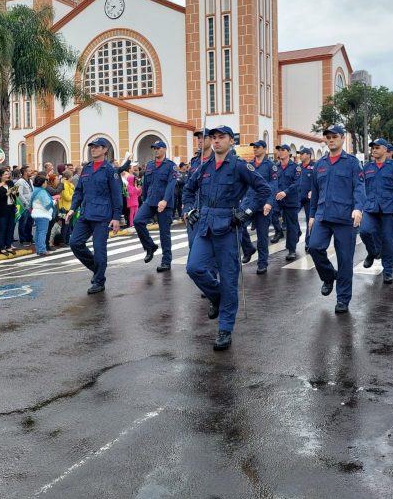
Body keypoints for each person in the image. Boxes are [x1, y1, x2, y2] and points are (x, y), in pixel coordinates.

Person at [183, 125, 272, 350]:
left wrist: (247, 212)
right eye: (213, 137)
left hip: (229, 226)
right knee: (194, 268)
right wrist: (188, 209)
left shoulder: (240, 166)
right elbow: (188, 189)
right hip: (205, 225)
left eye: (221, 137)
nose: (216, 141)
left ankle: (225, 328)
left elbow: (263, 190)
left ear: (231, 141)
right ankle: (217, 297)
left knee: (229, 278)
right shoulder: (204, 167)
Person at [308, 125, 366, 314]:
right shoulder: (320, 164)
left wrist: (358, 209)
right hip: (323, 216)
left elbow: (359, 187)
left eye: (334, 136)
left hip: (345, 218)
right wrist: (310, 216)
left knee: (345, 260)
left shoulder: (351, 163)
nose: (331, 139)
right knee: (314, 247)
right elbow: (315, 193)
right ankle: (328, 276)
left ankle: (342, 299)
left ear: (342, 139)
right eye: (328, 137)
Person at [66, 138, 123, 294]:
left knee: (99, 249)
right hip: (86, 213)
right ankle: (98, 269)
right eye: (92, 146)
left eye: (97, 147)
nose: (93, 149)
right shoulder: (87, 168)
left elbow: (117, 195)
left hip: (102, 216)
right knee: (75, 242)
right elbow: (79, 192)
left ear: (105, 150)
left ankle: (98, 281)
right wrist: (72, 209)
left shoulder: (110, 170)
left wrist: (116, 217)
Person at [359, 138, 393, 284]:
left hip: (389, 208)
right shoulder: (367, 167)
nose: (374, 149)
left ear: (385, 149)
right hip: (370, 206)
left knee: (388, 239)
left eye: (377, 147)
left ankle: (387, 271)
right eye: (372, 147)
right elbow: (360, 187)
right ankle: (372, 252)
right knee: (364, 231)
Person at [133, 140, 178, 272]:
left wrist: (165, 200)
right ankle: (150, 246)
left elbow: (171, 184)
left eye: (158, 148)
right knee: (137, 221)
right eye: (154, 148)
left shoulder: (171, 166)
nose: (156, 150)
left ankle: (166, 261)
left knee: (164, 233)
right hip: (150, 201)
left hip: (165, 203)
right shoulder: (150, 165)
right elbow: (146, 183)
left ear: (164, 149)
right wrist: (144, 198)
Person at [239, 139, 277, 274]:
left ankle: (262, 263)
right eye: (253, 147)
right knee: (239, 225)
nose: (255, 149)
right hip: (249, 202)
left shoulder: (271, 166)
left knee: (262, 235)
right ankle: (248, 248)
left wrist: (269, 202)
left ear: (265, 149)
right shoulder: (248, 165)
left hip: (262, 204)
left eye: (258, 147)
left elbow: (273, 185)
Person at [273, 144, 302, 261]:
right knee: (272, 214)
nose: (280, 152)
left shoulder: (296, 167)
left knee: (290, 225)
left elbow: (297, 183)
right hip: (277, 199)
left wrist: (285, 192)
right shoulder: (276, 167)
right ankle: (279, 231)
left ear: (289, 152)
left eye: (283, 150)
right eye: (279, 150)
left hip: (290, 199)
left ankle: (291, 250)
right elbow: (273, 181)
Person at [0, 168, 17, 255]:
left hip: (11, 207)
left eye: (8, 174)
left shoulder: (10, 183)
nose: (7, 176)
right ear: (0, 175)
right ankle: (2, 248)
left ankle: (8, 246)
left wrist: (14, 192)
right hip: (2, 209)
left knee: (11, 227)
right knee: (3, 228)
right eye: (5, 174)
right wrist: (6, 193)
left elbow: (16, 194)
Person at [30, 174, 56, 256]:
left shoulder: (36, 190)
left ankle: (39, 249)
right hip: (42, 214)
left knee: (38, 232)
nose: (46, 184)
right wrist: (54, 201)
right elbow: (47, 204)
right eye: (45, 182)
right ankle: (42, 249)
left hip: (37, 213)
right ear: (42, 183)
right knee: (42, 232)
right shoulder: (41, 191)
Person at [298, 147, 315, 253]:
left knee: (310, 221)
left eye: (302, 153)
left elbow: (317, 181)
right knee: (291, 216)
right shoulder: (298, 167)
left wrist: (313, 190)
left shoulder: (315, 166)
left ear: (308, 155)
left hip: (309, 198)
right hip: (298, 196)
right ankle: (297, 232)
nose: (300, 155)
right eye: (300, 153)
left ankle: (308, 242)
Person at [15, 165, 35, 247]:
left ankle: (29, 238)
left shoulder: (30, 180)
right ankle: (23, 240)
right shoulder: (20, 182)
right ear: (25, 172)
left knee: (30, 222)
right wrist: (26, 203)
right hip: (24, 206)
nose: (31, 172)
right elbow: (19, 194)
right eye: (29, 171)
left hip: (31, 205)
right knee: (23, 223)